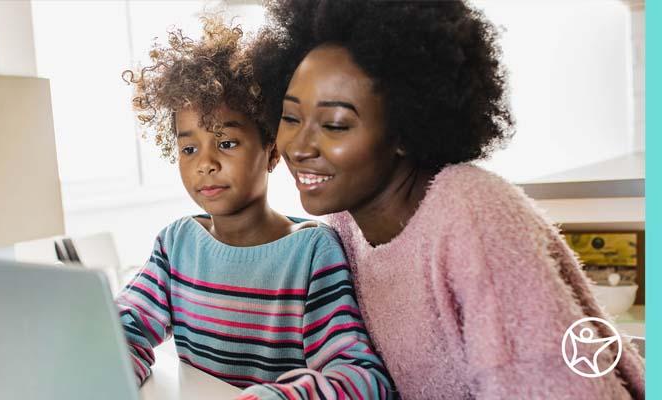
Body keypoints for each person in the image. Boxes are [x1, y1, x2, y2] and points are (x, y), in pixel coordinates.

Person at [252, 1, 646, 398]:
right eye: (290, 118)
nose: (299, 146)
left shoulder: (472, 214)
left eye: (335, 125)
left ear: (404, 130)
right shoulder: (346, 225)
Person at [117, 17, 393, 400]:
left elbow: (361, 377)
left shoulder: (312, 252)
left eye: (227, 143)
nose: (205, 163)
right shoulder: (175, 245)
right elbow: (124, 327)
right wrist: (113, 367)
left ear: (272, 151)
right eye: (189, 148)